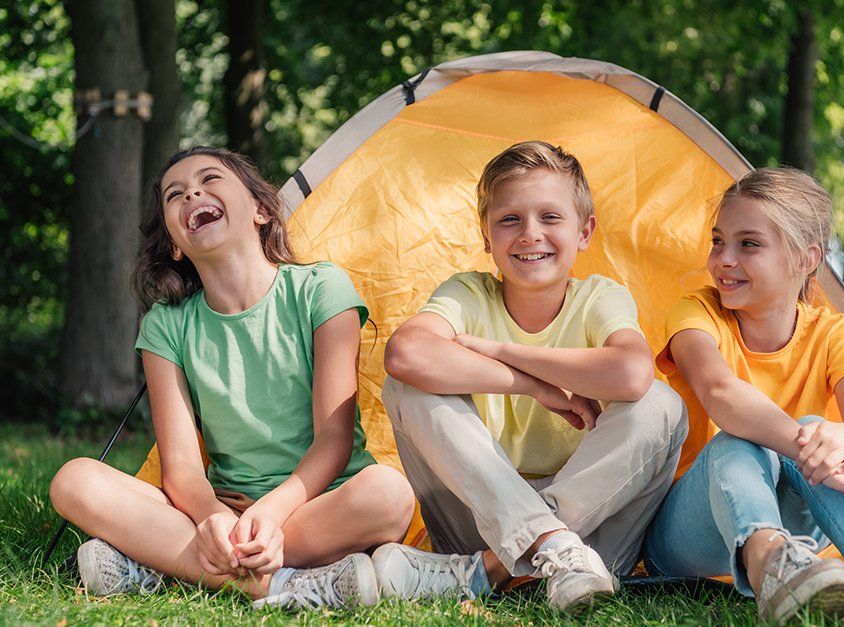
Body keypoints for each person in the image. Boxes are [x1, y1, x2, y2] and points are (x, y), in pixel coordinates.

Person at [49, 146, 414, 610]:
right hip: (224, 506)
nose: (192, 193)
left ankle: (164, 566)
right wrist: (212, 518)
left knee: (389, 494)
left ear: (261, 210)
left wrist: (272, 511)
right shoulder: (166, 325)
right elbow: (180, 465)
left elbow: (334, 438)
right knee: (73, 480)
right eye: (174, 194)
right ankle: (281, 585)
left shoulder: (321, 288)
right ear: (176, 243)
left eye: (209, 180)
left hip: (321, 503)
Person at [373, 141, 688, 611]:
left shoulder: (599, 297)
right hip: (477, 517)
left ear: (585, 231)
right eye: (509, 220)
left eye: (550, 217)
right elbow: (405, 354)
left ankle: (494, 569)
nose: (529, 234)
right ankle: (545, 547)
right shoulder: (469, 293)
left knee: (662, 404)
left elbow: (632, 372)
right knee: (408, 384)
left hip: (592, 534)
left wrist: (503, 351)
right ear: (486, 236)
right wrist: (533, 385)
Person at [642, 168, 844, 626]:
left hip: (799, 524)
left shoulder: (834, 331)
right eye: (719, 241)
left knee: (827, 434)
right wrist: (813, 441)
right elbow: (721, 395)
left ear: (806, 259)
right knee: (744, 438)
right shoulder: (695, 312)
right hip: (689, 534)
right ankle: (769, 564)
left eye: (749, 244)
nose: (724, 259)